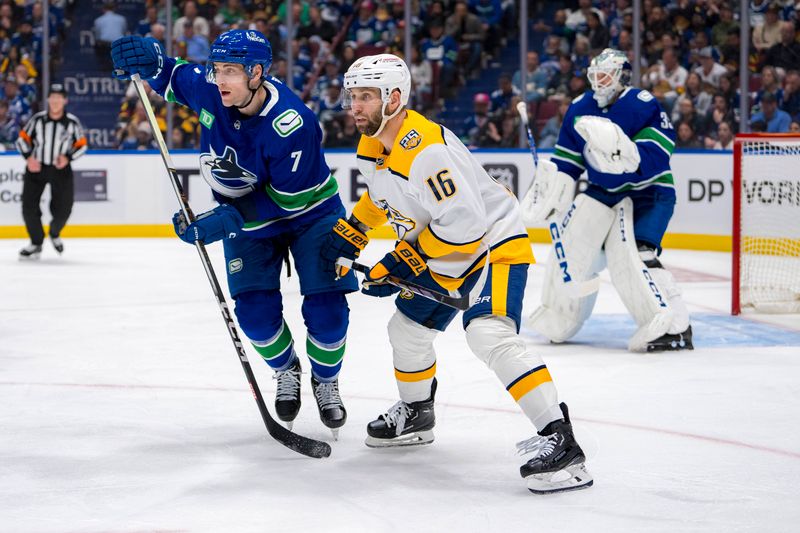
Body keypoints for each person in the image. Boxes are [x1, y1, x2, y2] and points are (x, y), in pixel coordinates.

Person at [320, 54, 593, 494]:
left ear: (394, 97)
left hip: (491, 246)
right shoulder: (373, 143)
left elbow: (466, 228)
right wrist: (355, 229)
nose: (355, 106)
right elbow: (382, 194)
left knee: (489, 334)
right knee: (406, 330)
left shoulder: (425, 151)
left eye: (366, 97)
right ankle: (417, 414)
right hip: (445, 250)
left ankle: (562, 444)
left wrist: (402, 260)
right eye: (353, 96)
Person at [110, 29, 358, 437]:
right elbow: (169, 75)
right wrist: (148, 60)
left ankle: (326, 379)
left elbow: (289, 202)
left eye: (231, 71)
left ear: (257, 73)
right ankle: (287, 369)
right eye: (217, 68)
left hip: (311, 215)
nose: (220, 79)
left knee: (328, 315)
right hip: (246, 220)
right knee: (256, 318)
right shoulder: (211, 90)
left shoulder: (291, 124)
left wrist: (222, 220)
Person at [521, 48, 692, 353]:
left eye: (605, 75)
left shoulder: (642, 104)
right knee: (573, 251)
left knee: (638, 256)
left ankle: (675, 327)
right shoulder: (579, 108)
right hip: (602, 192)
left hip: (648, 193)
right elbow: (568, 162)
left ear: (621, 76)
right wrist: (554, 190)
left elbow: (660, 152)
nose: (598, 82)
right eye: (594, 76)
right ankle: (561, 315)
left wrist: (630, 157)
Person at [15, 83, 87, 259]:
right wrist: (29, 158)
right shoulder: (37, 120)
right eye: (52, 97)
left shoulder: (71, 123)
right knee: (28, 207)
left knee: (64, 208)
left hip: (60, 169)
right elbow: (22, 140)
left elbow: (81, 145)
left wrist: (67, 158)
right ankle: (36, 243)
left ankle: (54, 233)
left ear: (65, 100)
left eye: (59, 97)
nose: (55, 101)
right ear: (48, 99)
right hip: (37, 167)